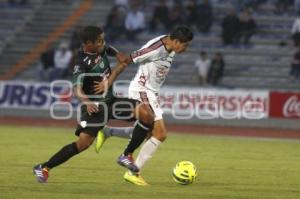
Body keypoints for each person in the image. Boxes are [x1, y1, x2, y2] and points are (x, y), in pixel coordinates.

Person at [33, 26, 154, 183]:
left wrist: (117, 54)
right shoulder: (81, 63)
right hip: (95, 108)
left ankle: (126, 155)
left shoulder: (100, 49)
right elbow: (76, 88)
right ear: (89, 43)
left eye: (103, 39)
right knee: (83, 144)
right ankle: (44, 167)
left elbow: (108, 48)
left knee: (146, 114)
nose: (103, 43)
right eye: (99, 41)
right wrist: (87, 102)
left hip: (111, 102)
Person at [95, 26, 194, 185]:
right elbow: (126, 60)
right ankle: (132, 170)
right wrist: (108, 82)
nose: (186, 49)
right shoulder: (154, 49)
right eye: (185, 45)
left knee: (148, 134)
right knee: (160, 134)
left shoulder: (170, 45)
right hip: (142, 90)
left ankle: (108, 132)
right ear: (176, 41)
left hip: (151, 92)